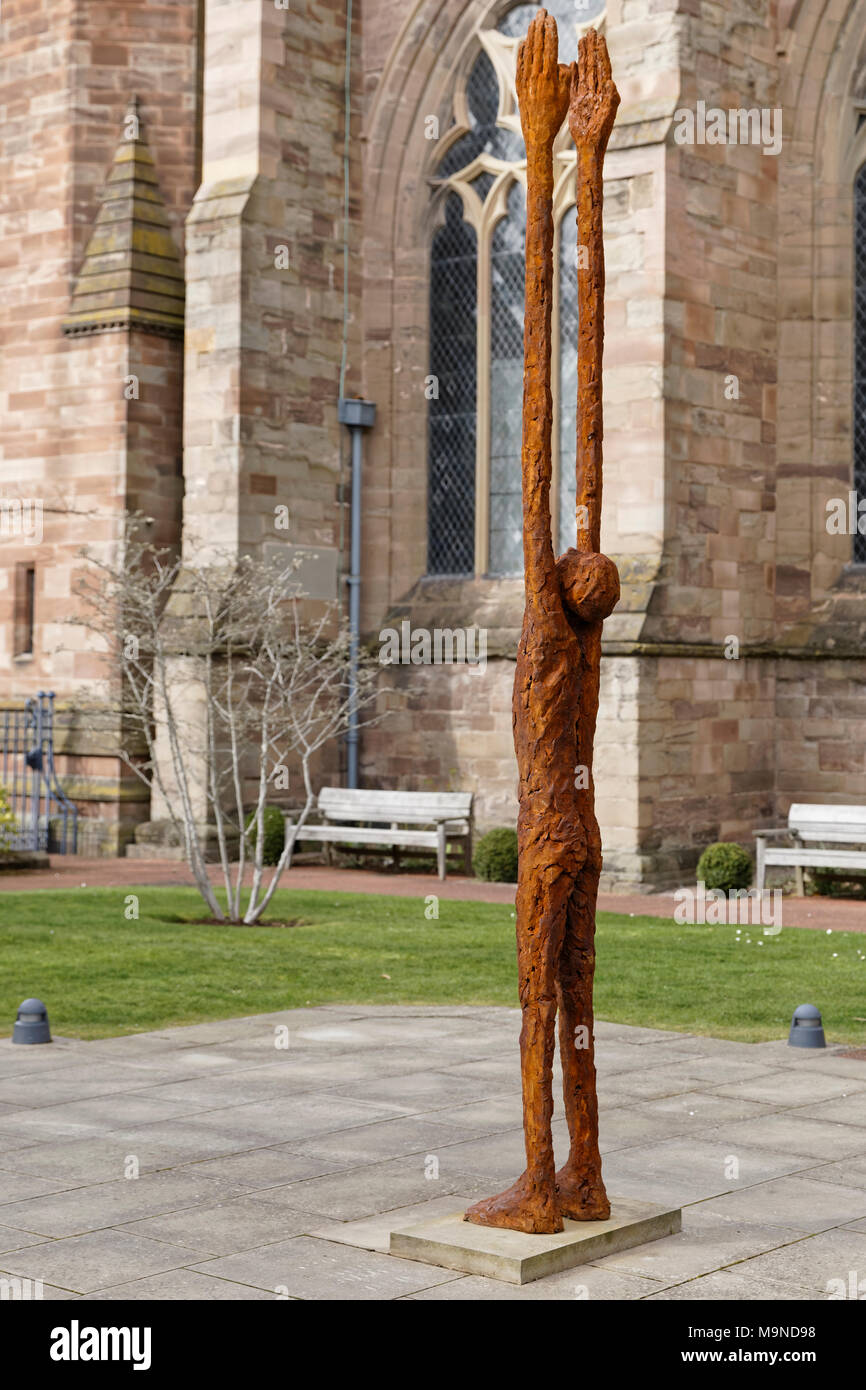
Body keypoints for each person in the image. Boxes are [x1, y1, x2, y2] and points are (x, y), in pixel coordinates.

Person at [464, 13, 621, 1236]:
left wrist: (538, 134)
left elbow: (535, 451)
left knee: (537, 1002)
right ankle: (588, 1173)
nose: (561, 554)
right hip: (591, 835)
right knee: (577, 1002)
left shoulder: (546, 615)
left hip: (543, 843)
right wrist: (587, 170)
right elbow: (584, 449)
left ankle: (535, 1179)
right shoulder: (593, 636)